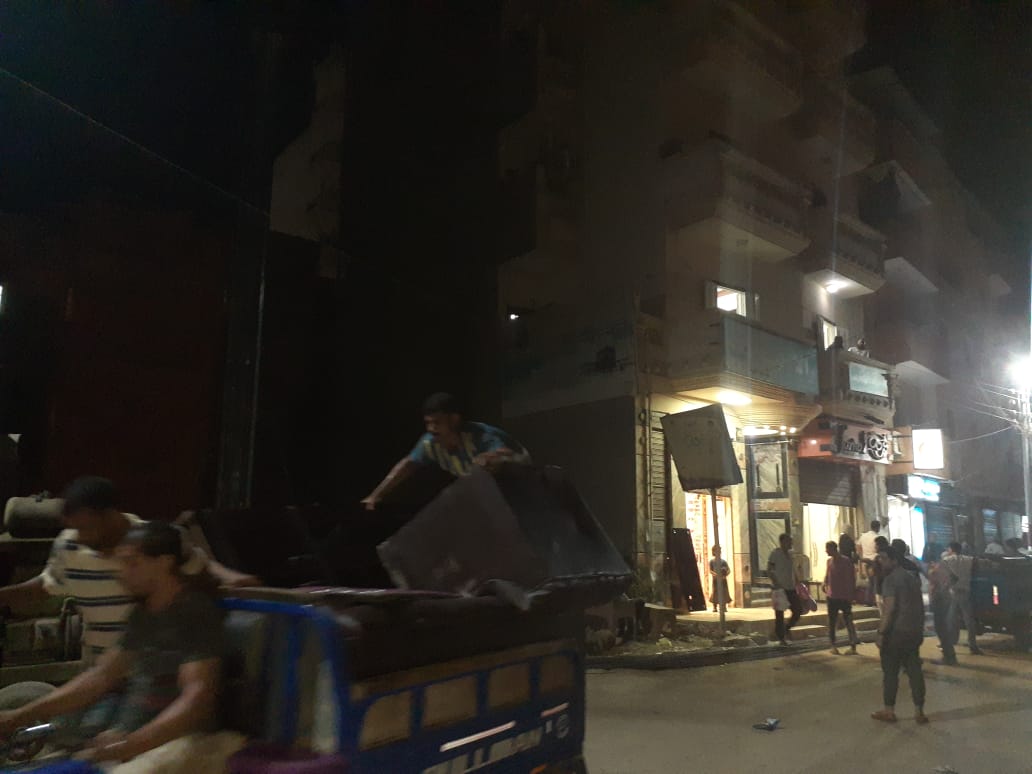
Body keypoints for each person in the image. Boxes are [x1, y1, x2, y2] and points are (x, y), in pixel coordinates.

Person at [0, 521, 246, 771]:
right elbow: (101, 677)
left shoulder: (195, 613)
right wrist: (18, 716)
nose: (121, 572)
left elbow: (195, 701)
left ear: (163, 563)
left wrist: (128, 745)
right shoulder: (143, 614)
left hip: (185, 742)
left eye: (132, 563)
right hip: (136, 740)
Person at [0, 476, 258, 665]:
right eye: (75, 528)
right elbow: (44, 588)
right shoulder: (69, 546)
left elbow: (201, 570)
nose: (81, 537)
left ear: (109, 515)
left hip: (152, 672)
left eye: (86, 528)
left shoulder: (153, 541)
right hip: (100, 670)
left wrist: (231, 579)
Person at [362, 392, 530, 510]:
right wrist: (376, 495)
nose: (431, 429)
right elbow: (408, 464)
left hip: (521, 485)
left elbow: (506, 454)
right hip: (489, 494)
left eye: (436, 423)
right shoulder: (429, 443)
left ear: (454, 419)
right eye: (428, 423)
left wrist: (488, 458)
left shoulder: (479, 435)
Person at [872, 546, 928, 725]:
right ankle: (919, 711)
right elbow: (919, 606)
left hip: (896, 633)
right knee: (914, 672)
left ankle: (889, 711)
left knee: (890, 673)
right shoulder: (911, 578)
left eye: (884, 558)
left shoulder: (890, 580)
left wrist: (881, 632)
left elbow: (889, 609)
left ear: (894, 560)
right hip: (912, 631)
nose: (881, 562)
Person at [942, 540, 982, 655]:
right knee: (969, 619)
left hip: (953, 592)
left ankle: (950, 643)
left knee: (950, 619)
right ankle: (972, 644)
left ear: (951, 549)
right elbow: (980, 564)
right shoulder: (969, 559)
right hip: (965, 591)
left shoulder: (946, 560)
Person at [823, 541, 858, 655]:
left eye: (827, 549)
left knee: (848, 621)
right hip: (832, 596)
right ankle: (833, 645)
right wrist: (824, 583)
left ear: (833, 549)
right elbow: (827, 575)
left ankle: (853, 646)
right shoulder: (829, 561)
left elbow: (851, 579)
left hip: (844, 596)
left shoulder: (846, 561)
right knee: (832, 621)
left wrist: (851, 595)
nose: (826, 551)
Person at [767, 533, 800, 646]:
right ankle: (781, 637)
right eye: (788, 541)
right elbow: (770, 569)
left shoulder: (790, 554)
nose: (791, 543)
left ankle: (787, 628)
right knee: (779, 614)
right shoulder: (775, 554)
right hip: (780, 588)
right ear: (782, 542)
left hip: (791, 587)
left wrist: (797, 580)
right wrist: (775, 582)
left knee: (798, 610)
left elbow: (792, 569)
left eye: (791, 541)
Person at [927, 557, 957, 665]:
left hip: (939, 599)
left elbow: (933, 584)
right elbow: (954, 578)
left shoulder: (935, 569)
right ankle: (949, 655)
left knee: (941, 629)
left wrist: (941, 589)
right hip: (944, 598)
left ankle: (949, 656)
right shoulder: (944, 566)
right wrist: (946, 587)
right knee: (943, 628)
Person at [858, 520, 882, 605]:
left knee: (869, 581)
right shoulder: (877, 537)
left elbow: (858, 546)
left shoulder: (863, 536)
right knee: (876, 581)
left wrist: (861, 556)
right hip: (874, 561)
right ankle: (875, 600)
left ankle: (868, 600)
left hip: (865, 561)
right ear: (878, 527)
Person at [709, 545, 731, 612]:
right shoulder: (712, 561)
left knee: (724, 592)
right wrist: (715, 574)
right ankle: (715, 606)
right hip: (716, 580)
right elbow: (710, 570)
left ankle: (723, 606)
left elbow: (728, 570)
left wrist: (725, 575)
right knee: (715, 592)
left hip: (723, 579)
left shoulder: (723, 561)